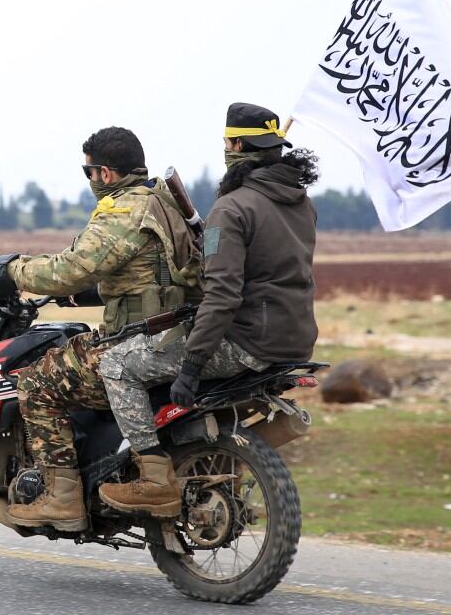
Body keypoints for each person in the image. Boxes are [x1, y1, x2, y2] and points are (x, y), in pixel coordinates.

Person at [96, 102, 319, 516]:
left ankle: (152, 478)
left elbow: (222, 296)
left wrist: (193, 366)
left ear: (235, 144)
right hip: (296, 338)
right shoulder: (301, 203)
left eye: (226, 142)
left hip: (246, 340)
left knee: (116, 364)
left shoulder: (232, 209)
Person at [3, 126, 202, 531]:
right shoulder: (165, 201)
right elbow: (151, 274)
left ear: (106, 174)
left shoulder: (123, 209)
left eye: (89, 172)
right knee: (75, 349)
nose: (91, 180)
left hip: (139, 340)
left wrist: (14, 270)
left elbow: (72, 268)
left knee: (37, 383)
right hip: (175, 329)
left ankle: (62, 499)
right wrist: (89, 297)